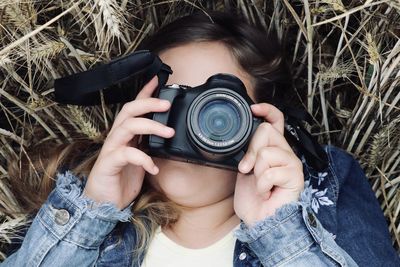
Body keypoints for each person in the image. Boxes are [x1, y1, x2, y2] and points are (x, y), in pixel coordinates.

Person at [1, 11, 399, 267]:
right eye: (176, 99)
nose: (193, 125)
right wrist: (94, 210)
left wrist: (281, 228)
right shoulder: (77, 205)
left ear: (262, 121)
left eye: (218, 108)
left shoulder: (325, 184)